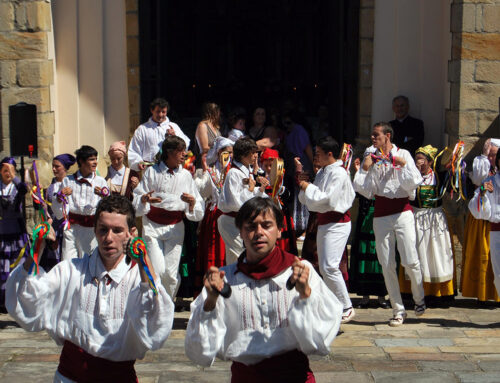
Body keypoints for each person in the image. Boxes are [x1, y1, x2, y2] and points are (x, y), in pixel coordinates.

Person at [6, 194, 174, 382]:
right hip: (70, 377)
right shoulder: (71, 271)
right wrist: (37, 249)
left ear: (132, 233)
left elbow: (157, 328)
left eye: (117, 230)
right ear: (94, 231)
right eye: (103, 230)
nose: (108, 238)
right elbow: (26, 299)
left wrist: (145, 264)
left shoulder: (139, 278)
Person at [185, 197, 342, 383]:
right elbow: (199, 352)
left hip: (295, 376)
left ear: (279, 231)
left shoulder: (301, 271)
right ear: (241, 233)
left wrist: (305, 294)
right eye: (251, 227)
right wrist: (210, 303)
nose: (258, 232)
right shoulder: (224, 279)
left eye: (266, 225)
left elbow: (321, 339)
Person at [353, 122, 425, 326]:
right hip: (381, 213)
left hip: (403, 211)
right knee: (386, 263)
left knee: (410, 259)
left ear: (388, 136)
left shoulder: (404, 154)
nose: (373, 139)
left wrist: (399, 163)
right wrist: (365, 170)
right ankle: (398, 309)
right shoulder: (371, 156)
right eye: (372, 136)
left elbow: (413, 183)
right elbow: (364, 189)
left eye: (376, 135)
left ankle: (419, 299)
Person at [133, 135, 204, 298]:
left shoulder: (185, 175)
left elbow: (197, 202)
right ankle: (155, 304)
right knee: (157, 269)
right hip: (152, 226)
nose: (184, 155)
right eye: (181, 151)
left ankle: (167, 305)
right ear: (169, 152)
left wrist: (191, 203)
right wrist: (145, 199)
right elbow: (138, 196)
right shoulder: (152, 171)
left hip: (175, 227)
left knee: (171, 275)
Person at [298, 136, 356, 323]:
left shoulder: (339, 173)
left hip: (337, 222)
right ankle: (334, 305)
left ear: (329, 154)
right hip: (324, 222)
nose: (315, 157)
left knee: (330, 266)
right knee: (324, 267)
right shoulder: (323, 172)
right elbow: (310, 203)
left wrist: (309, 189)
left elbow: (328, 200)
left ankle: (346, 306)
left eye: (318, 154)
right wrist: (304, 186)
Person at [398, 145, 455, 305]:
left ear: (430, 161)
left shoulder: (439, 176)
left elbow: (453, 180)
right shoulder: (411, 177)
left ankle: (437, 292)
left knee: (436, 253)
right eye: (416, 159)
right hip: (416, 217)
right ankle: (414, 291)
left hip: (435, 218)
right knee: (417, 253)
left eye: (422, 159)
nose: (418, 162)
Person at [217, 137, 269, 265]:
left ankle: (233, 283)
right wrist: (251, 189)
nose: (255, 156)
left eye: (256, 152)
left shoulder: (246, 171)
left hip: (240, 221)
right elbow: (235, 203)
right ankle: (236, 282)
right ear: (243, 155)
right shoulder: (233, 173)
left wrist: (260, 190)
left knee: (236, 257)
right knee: (239, 256)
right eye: (252, 153)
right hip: (231, 221)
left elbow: (247, 196)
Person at [193, 136, 234, 295]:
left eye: (231, 153)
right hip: (214, 216)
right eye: (226, 153)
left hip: (231, 216)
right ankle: (210, 288)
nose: (228, 156)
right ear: (218, 154)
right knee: (213, 251)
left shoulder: (235, 170)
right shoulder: (210, 171)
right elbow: (201, 192)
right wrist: (203, 172)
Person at [52, 146, 108, 260]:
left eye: (95, 159)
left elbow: (108, 206)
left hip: (91, 230)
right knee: (68, 261)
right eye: (91, 159)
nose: (95, 162)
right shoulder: (68, 180)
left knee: (88, 262)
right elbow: (59, 210)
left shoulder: (100, 181)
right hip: (71, 228)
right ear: (81, 161)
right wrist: (59, 197)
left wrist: (104, 197)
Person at [461, 138, 500, 303]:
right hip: (495, 228)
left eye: (494, 155)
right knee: (498, 273)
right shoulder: (490, 180)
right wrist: (483, 193)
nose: (491, 159)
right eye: (490, 156)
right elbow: (477, 207)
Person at [348, 152, 388, 309]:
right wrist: (359, 171)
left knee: (380, 255)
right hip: (366, 218)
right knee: (365, 254)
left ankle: (381, 295)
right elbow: (357, 191)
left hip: (381, 218)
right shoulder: (363, 177)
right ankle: (364, 295)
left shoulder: (386, 176)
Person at [128, 98, 190, 171]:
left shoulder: (174, 127)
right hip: (150, 171)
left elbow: (185, 146)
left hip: (171, 171)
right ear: (152, 110)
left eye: (163, 112)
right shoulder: (142, 129)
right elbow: (134, 149)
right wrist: (138, 162)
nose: (160, 115)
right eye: (158, 111)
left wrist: (175, 136)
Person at [0, 157, 29, 313]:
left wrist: (15, 175)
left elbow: (25, 189)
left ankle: (18, 298)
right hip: (3, 231)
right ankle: (4, 300)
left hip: (17, 233)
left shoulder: (17, 187)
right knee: (3, 267)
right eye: (4, 170)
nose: (7, 173)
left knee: (18, 265)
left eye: (10, 170)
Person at [40, 154, 77, 271]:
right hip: (54, 228)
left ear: (65, 168)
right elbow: (44, 207)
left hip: (68, 227)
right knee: (53, 262)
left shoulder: (72, 184)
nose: (53, 169)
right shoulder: (49, 187)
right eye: (53, 166)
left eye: (57, 166)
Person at [259, 147, 298, 255]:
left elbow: (290, 198)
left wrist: (279, 188)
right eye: (265, 165)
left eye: (271, 165)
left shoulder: (286, 178)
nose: (268, 168)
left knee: (284, 245)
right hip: (265, 215)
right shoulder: (260, 178)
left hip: (282, 216)